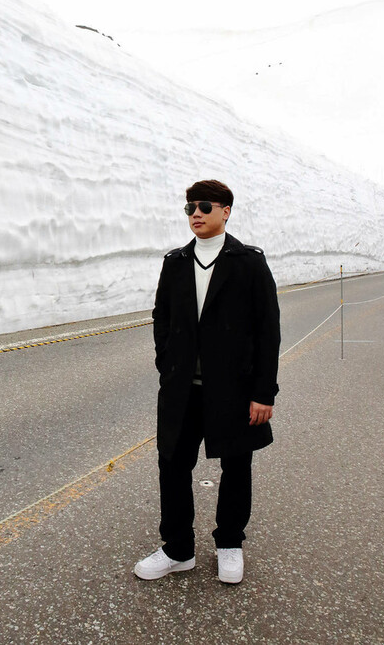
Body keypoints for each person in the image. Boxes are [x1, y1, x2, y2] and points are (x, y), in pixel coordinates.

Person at [134, 179, 280, 584]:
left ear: (226, 211)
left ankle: (229, 543)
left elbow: (269, 331)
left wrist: (263, 392)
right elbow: (161, 317)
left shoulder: (248, 262)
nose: (195, 213)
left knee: (236, 466)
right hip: (182, 390)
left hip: (234, 392)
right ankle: (177, 550)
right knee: (172, 465)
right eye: (189, 208)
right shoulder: (176, 261)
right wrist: (168, 363)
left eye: (204, 206)